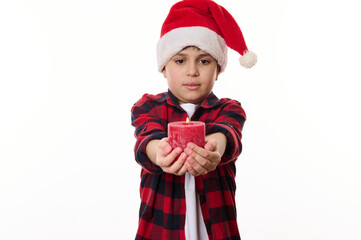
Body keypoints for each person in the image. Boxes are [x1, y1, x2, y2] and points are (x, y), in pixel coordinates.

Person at [131, 0, 256, 239]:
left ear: (218, 70)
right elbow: (146, 138)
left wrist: (213, 150)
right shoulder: (149, 106)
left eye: (204, 60)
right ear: (163, 68)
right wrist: (160, 153)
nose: (192, 71)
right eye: (180, 60)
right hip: (160, 231)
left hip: (216, 231)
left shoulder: (228, 108)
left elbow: (227, 134)